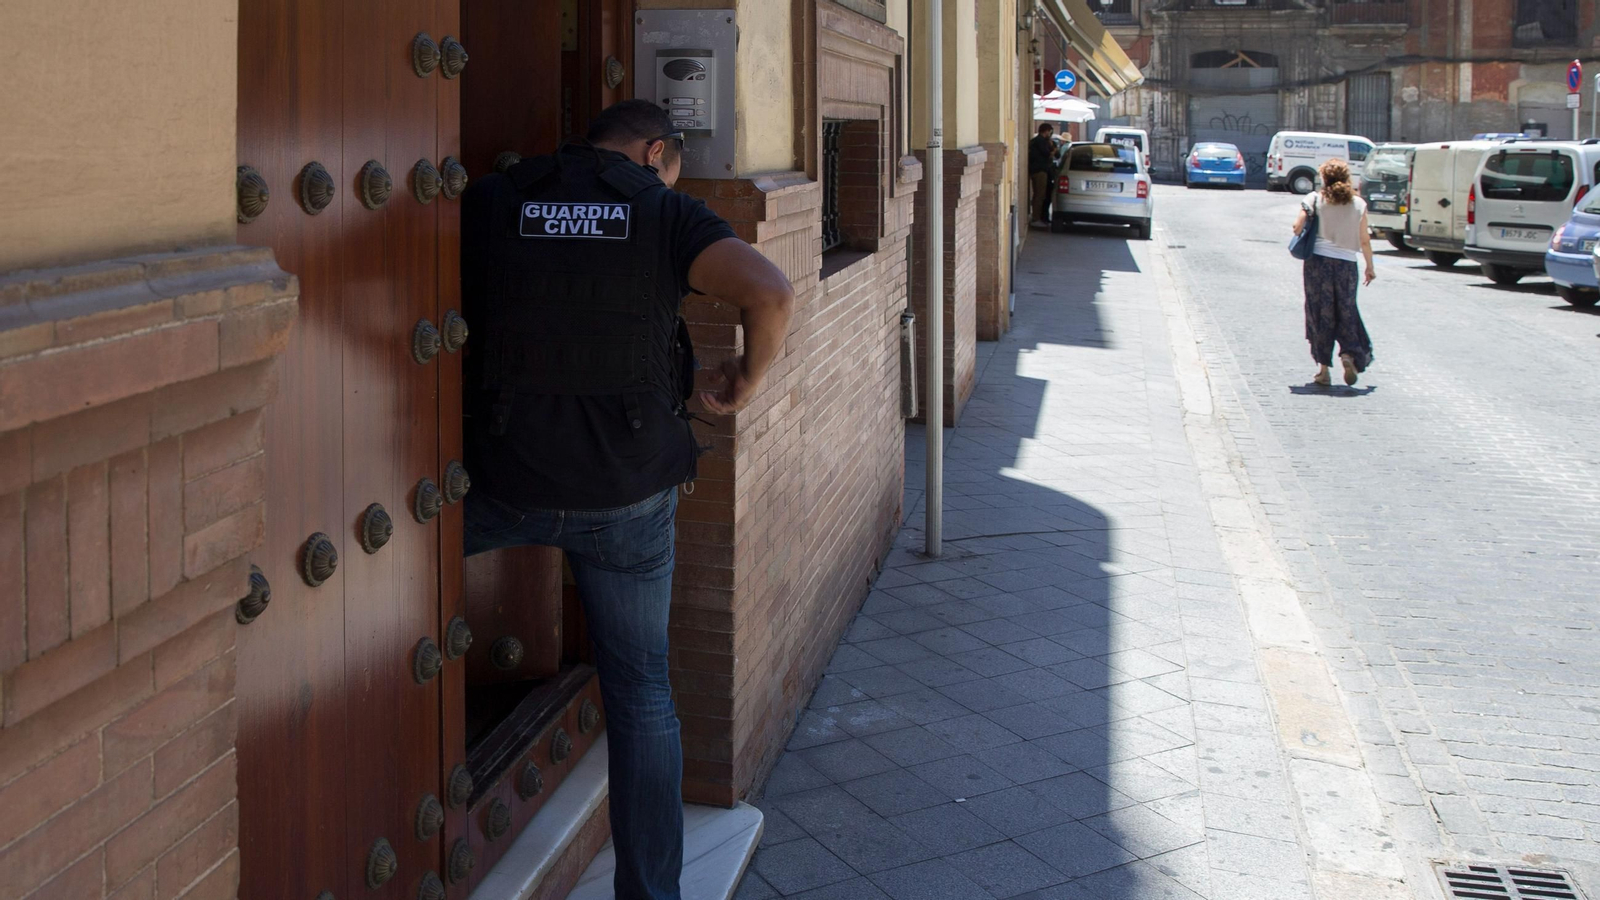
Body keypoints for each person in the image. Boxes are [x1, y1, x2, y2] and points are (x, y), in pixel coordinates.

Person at [459, 99, 795, 900]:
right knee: (642, 694)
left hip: (502, 481)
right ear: (655, 152)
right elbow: (771, 292)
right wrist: (746, 378)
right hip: (626, 496)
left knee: (371, 614)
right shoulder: (662, 210)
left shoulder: (497, 200)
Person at [1292, 158, 1376, 386]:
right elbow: (1365, 240)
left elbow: (1297, 226)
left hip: (1318, 264)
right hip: (1347, 266)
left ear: (1324, 179)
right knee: (1346, 310)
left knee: (1320, 312)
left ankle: (1323, 369)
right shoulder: (1359, 204)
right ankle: (1348, 354)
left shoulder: (1315, 199)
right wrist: (1370, 266)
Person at [1029, 122, 1057, 227]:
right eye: (1050, 132)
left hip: (1036, 170)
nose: (1050, 134)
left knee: (1039, 194)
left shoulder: (1035, 141)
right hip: (1040, 171)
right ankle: (1036, 218)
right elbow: (1047, 154)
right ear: (1046, 131)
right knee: (1040, 195)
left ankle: (1037, 217)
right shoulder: (1041, 142)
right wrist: (1052, 151)